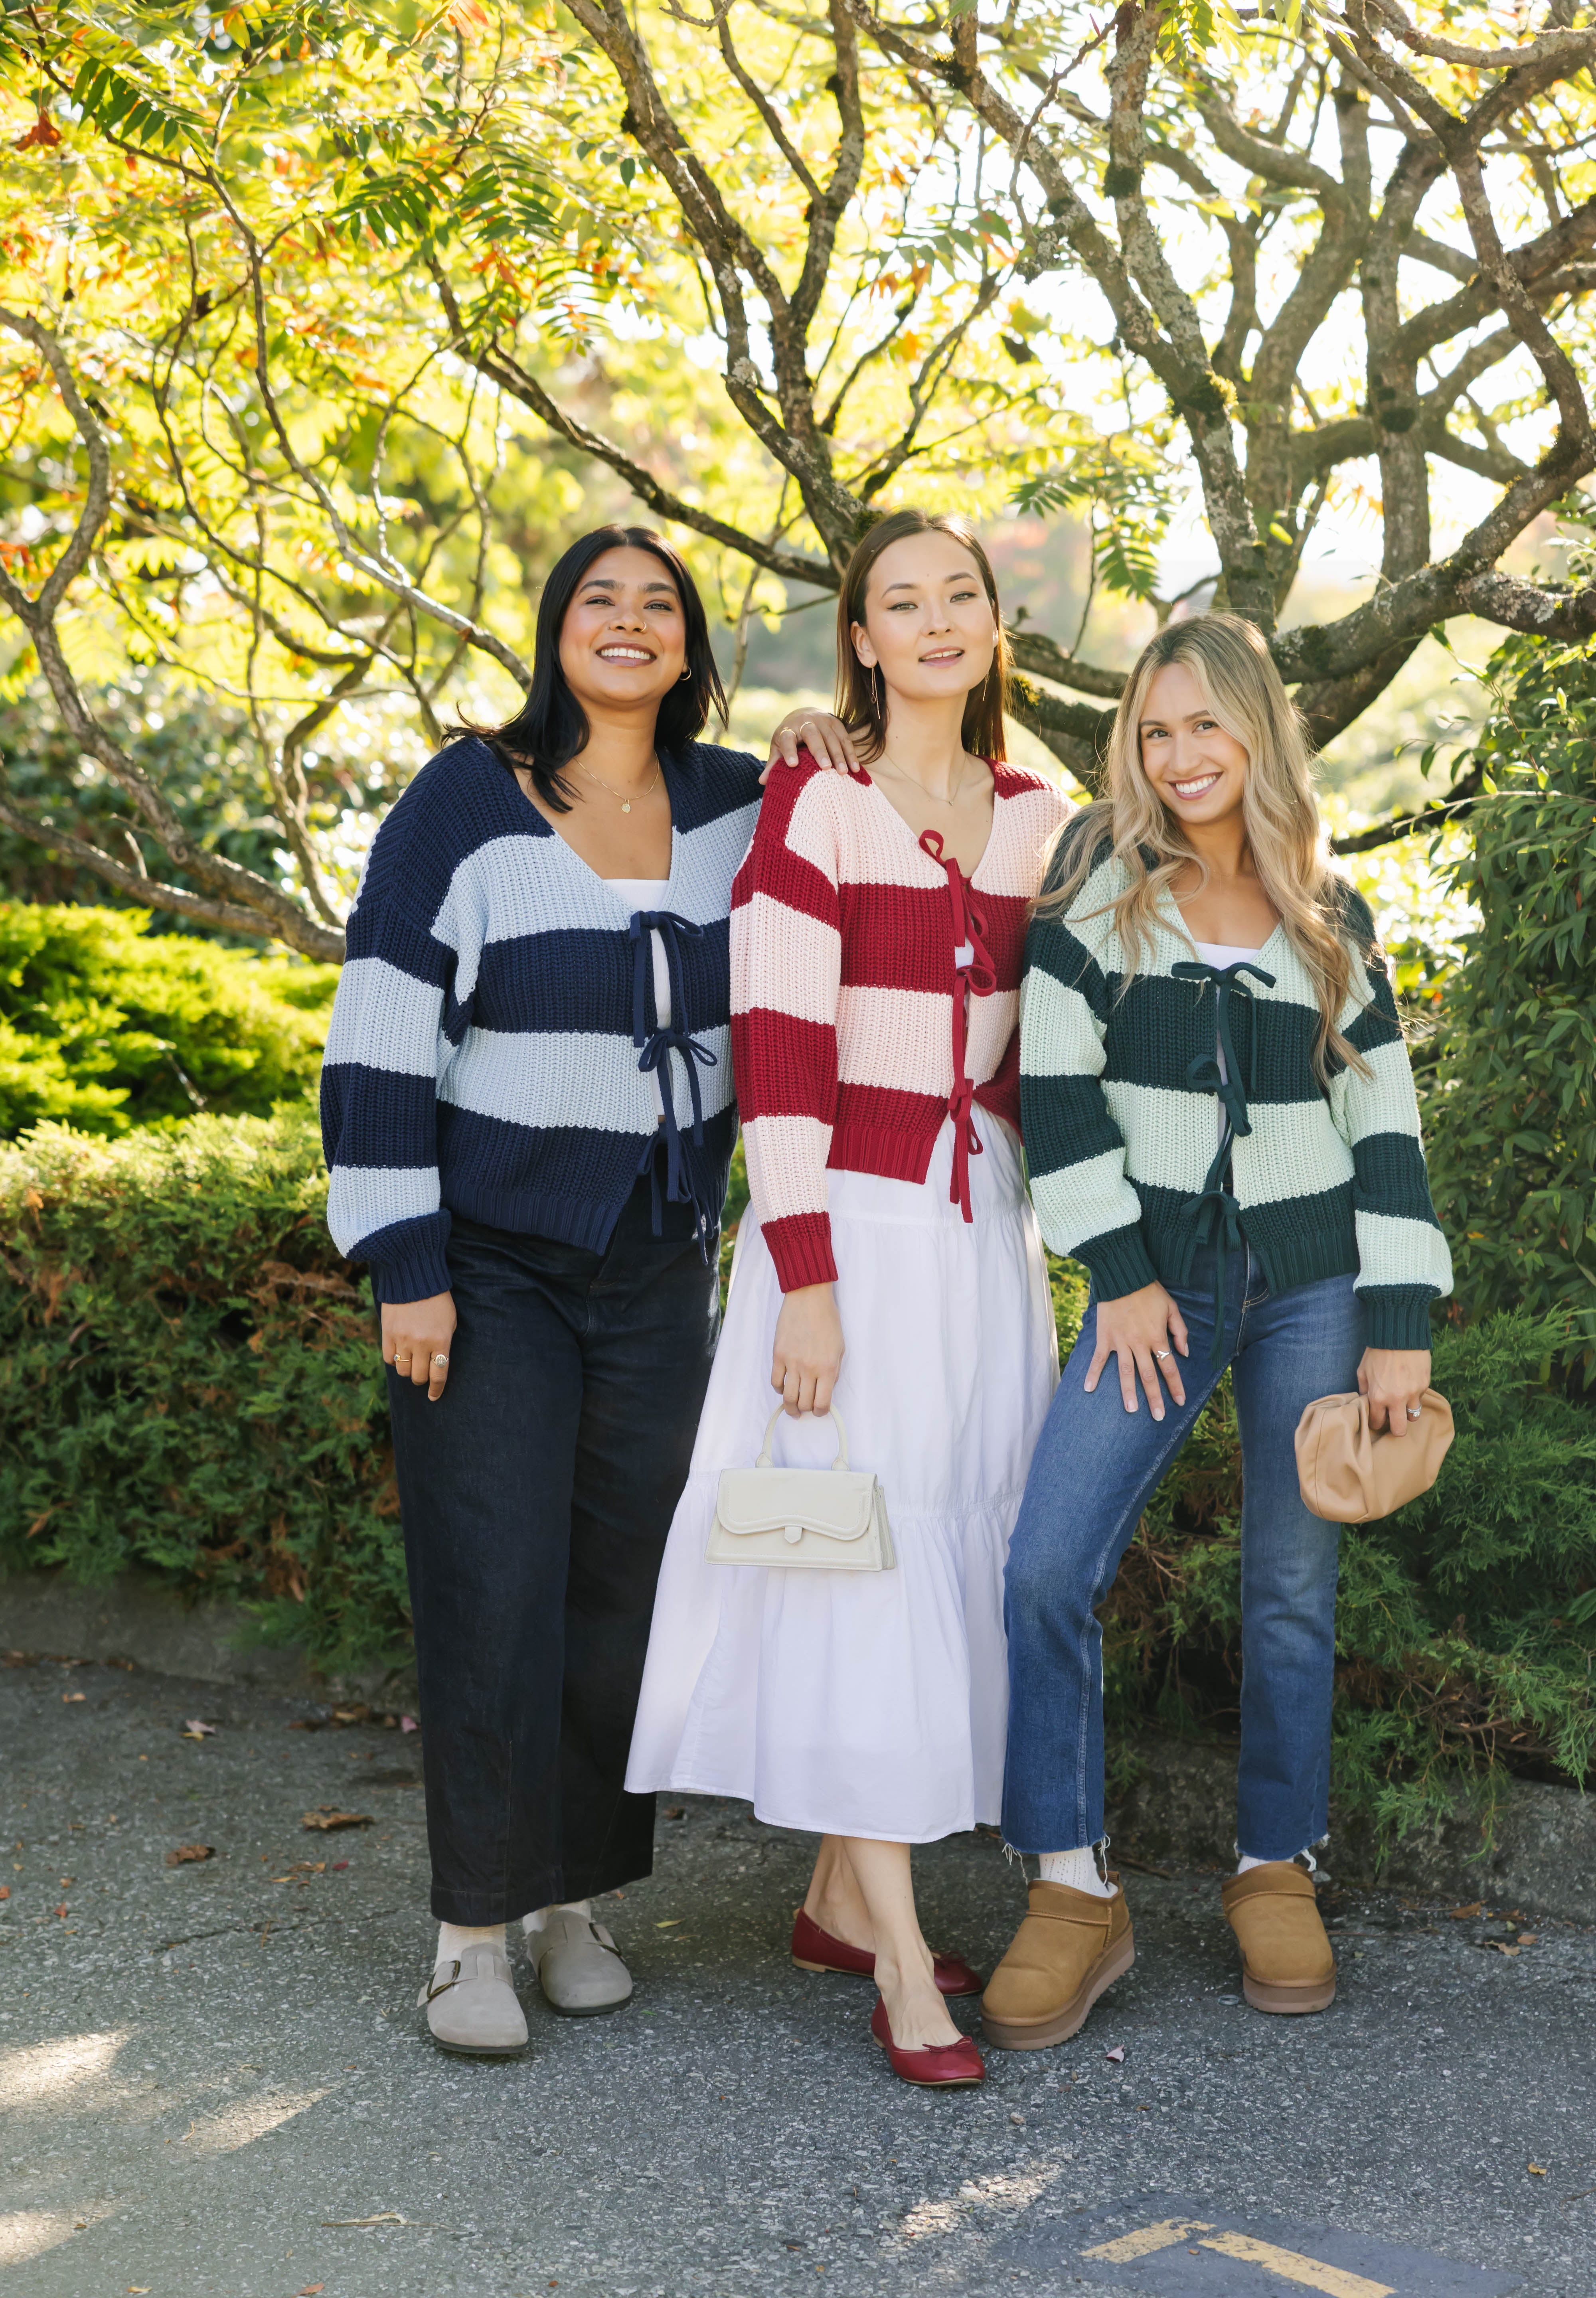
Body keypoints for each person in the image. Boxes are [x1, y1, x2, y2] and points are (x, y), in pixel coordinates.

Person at [319, 523, 854, 2058]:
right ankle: (470, 1940)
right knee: (494, 1590)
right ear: (557, 632)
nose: (630, 621)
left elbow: (866, 842)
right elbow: (378, 1037)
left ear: (690, 647)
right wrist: (406, 1265)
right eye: (598, 600)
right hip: (488, 1265)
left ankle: (574, 1905)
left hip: (659, 1261)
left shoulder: (739, 807)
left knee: (624, 1597)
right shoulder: (465, 800)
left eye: (659, 604)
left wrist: (814, 736)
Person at [626, 507, 1070, 2089]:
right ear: (863, 641)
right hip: (851, 1239)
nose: (937, 620)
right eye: (902, 601)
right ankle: (897, 1959)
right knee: (858, 1559)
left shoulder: (1042, 820)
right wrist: (803, 1280)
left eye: (962, 595)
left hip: (983, 1240)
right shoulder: (816, 804)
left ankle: (834, 1897)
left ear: (994, 626)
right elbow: (778, 1058)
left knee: (949, 1546)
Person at [982, 611, 1452, 2050]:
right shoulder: (1098, 890)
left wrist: (1400, 1319)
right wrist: (1119, 1274)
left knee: (1291, 1587)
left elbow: (1385, 1126)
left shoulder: (1329, 909)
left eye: (1207, 726)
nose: (1181, 756)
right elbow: (1054, 1095)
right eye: (1156, 730)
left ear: (1258, 731)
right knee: (1047, 1564)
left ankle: (1275, 1864)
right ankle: (1071, 1889)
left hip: (1313, 1282)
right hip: (1157, 1290)